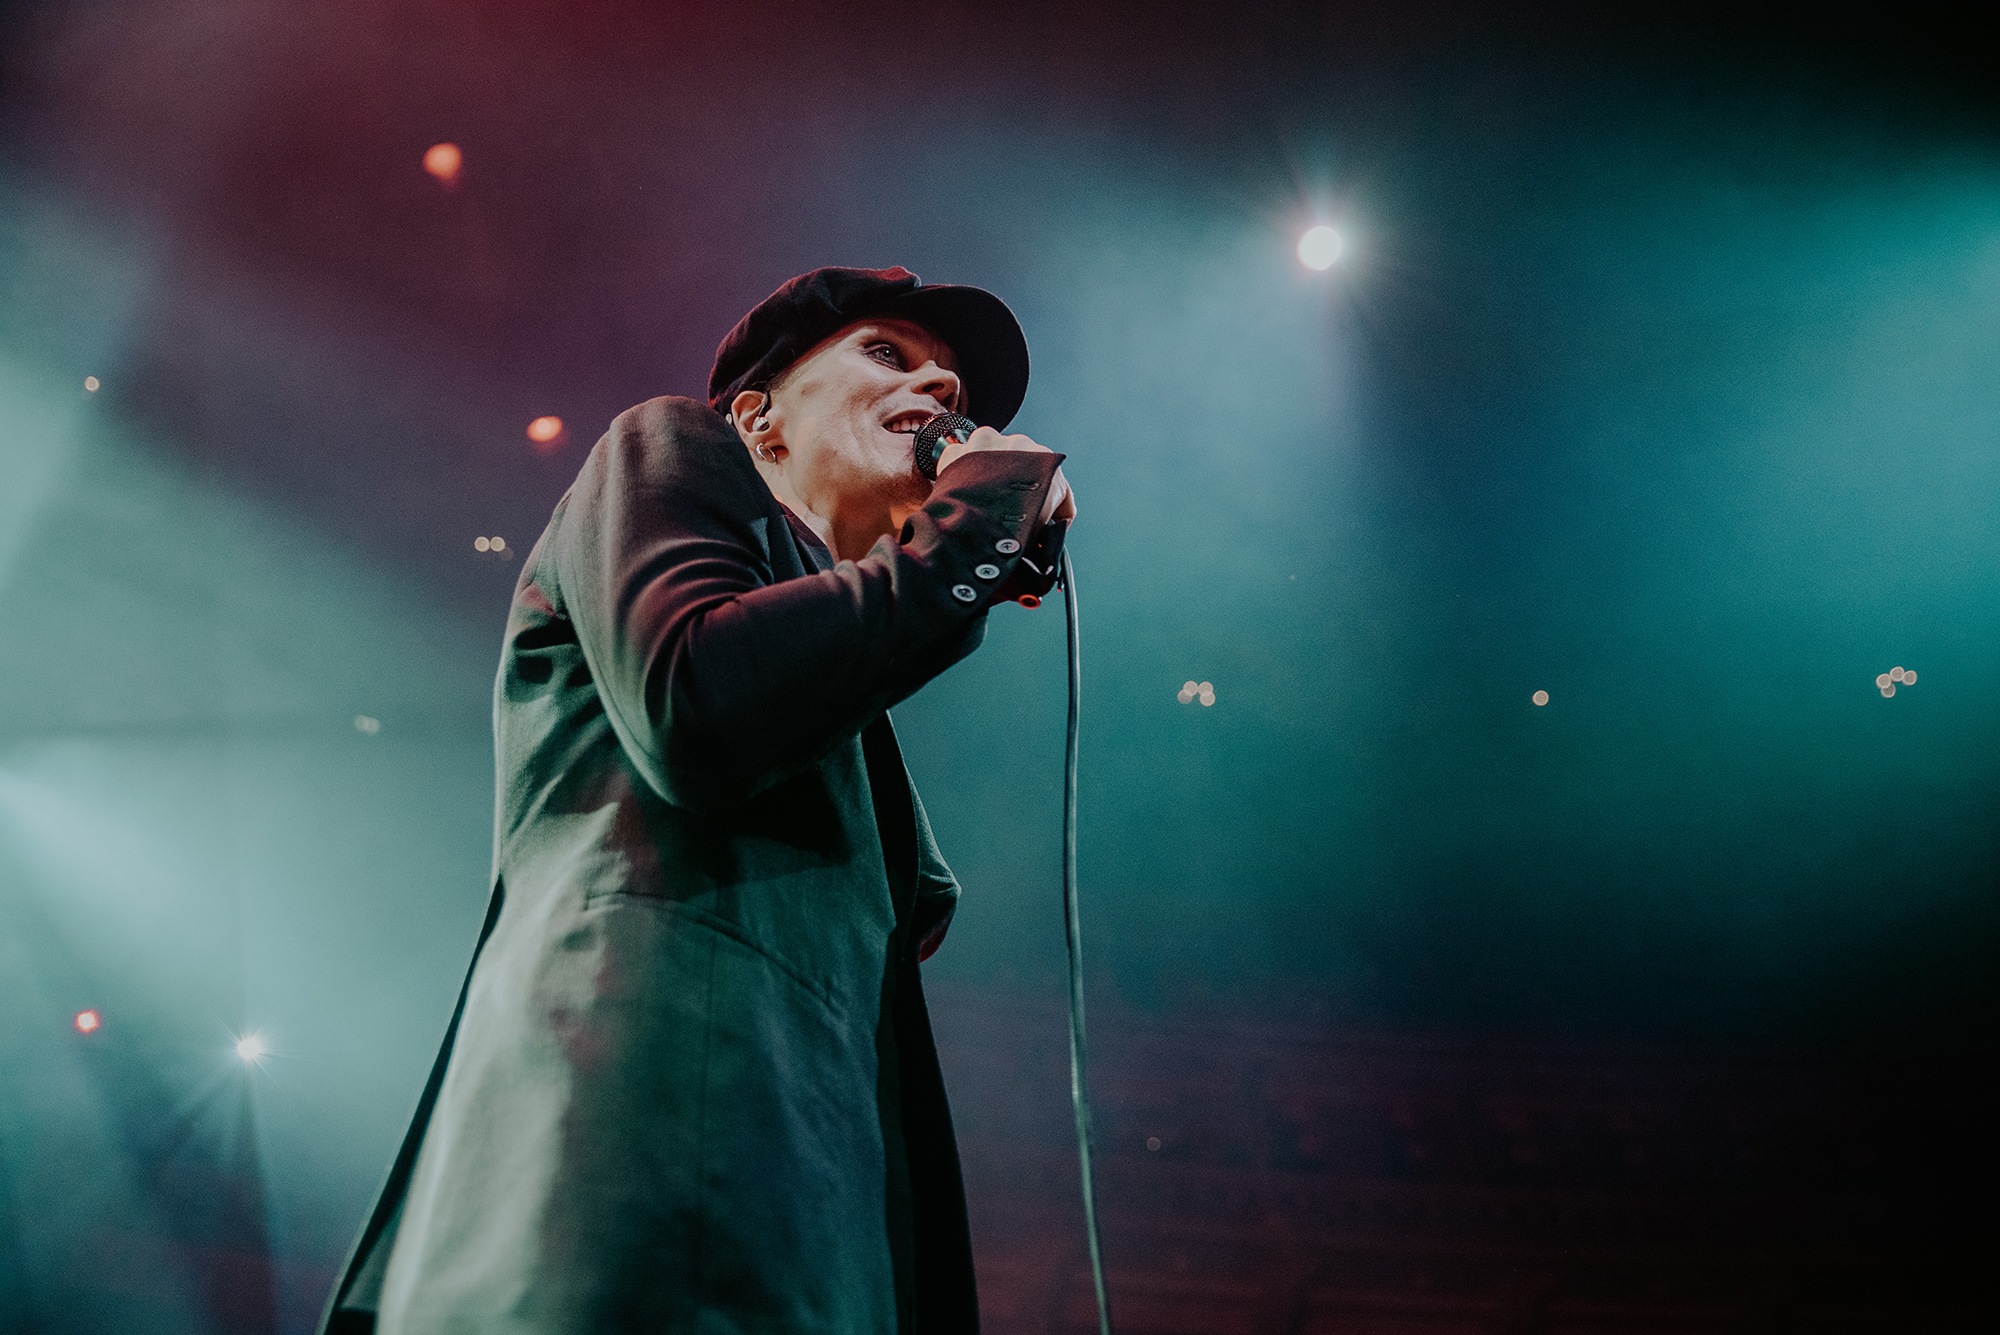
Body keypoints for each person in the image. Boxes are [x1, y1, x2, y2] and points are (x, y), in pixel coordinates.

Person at [318, 266, 1075, 1335]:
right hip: (637, 1166)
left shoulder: (849, 703)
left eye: (947, 383)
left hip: (809, 1224)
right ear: (759, 419)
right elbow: (696, 702)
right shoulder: (670, 447)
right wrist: (975, 526)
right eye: (887, 354)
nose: (943, 387)